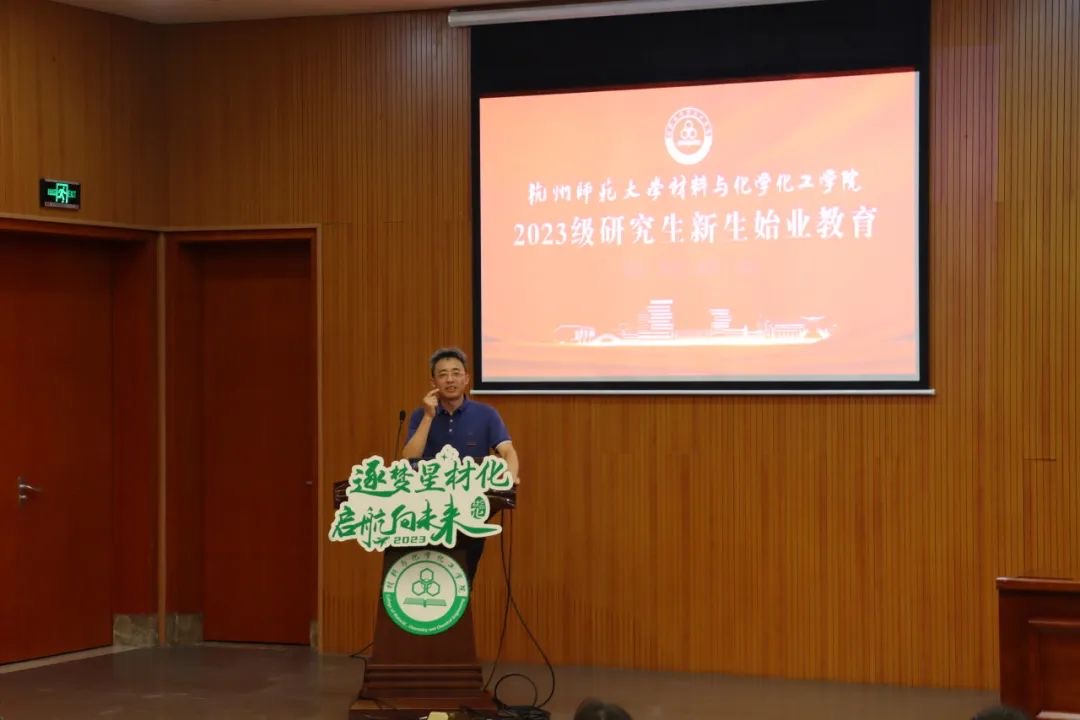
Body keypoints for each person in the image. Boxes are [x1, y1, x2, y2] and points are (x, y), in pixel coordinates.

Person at [400, 346, 520, 584]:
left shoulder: (486, 414)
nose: (450, 379)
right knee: (425, 575)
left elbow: (508, 451)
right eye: (443, 374)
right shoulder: (420, 415)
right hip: (427, 511)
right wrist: (429, 416)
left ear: (466, 379)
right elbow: (408, 459)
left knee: (461, 581)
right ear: (433, 382)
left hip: (470, 511)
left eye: (456, 373)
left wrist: (509, 479)